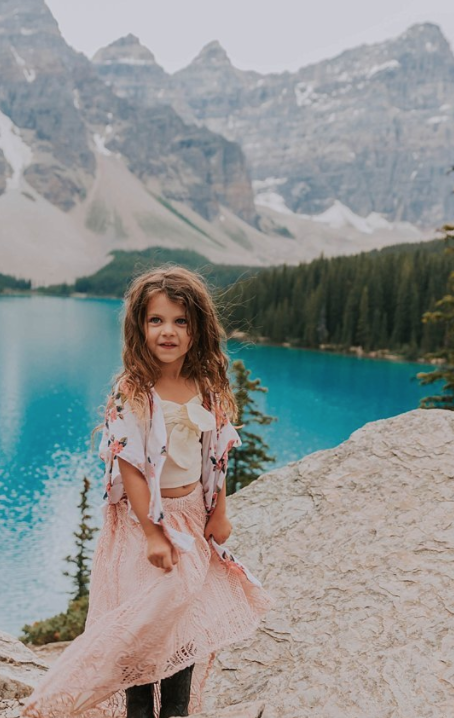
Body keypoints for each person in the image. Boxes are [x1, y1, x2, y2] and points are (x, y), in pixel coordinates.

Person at [21, 266, 272, 718]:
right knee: (143, 625)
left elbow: (217, 454)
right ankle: (126, 708)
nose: (168, 332)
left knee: (183, 619)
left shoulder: (208, 387)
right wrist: (154, 532)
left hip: (192, 514)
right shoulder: (132, 390)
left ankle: (176, 712)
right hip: (144, 526)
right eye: (156, 320)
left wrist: (219, 511)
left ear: (197, 328)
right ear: (139, 327)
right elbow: (131, 467)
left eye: (180, 321)